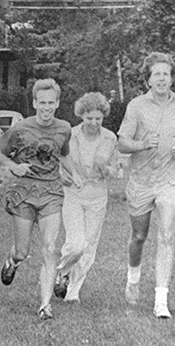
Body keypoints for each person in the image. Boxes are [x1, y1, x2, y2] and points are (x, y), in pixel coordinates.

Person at [0, 78, 80, 320]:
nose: (46, 108)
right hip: (24, 192)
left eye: (50, 103)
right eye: (41, 103)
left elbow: (64, 155)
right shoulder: (21, 128)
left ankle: (45, 306)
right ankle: (13, 261)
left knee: (50, 248)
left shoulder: (64, 128)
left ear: (57, 103)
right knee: (23, 251)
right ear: (34, 103)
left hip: (51, 192)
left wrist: (75, 175)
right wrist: (14, 166)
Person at [117, 52, 175, 319]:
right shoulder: (136, 106)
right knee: (139, 236)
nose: (161, 78)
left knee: (167, 234)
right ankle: (133, 277)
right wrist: (141, 145)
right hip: (141, 180)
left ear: (172, 78)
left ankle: (161, 300)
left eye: (166, 73)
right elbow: (122, 142)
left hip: (169, 179)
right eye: (156, 74)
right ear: (148, 79)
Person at [53, 92, 119, 303]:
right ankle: (62, 271)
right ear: (81, 115)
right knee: (76, 244)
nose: (93, 122)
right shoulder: (69, 135)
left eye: (98, 118)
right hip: (73, 193)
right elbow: (59, 162)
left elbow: (116, 168)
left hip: (97, 196)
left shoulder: (110, 138)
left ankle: (73, 290)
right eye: (89, 118)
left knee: (89, 246)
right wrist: (64, 177)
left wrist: (108, 169)